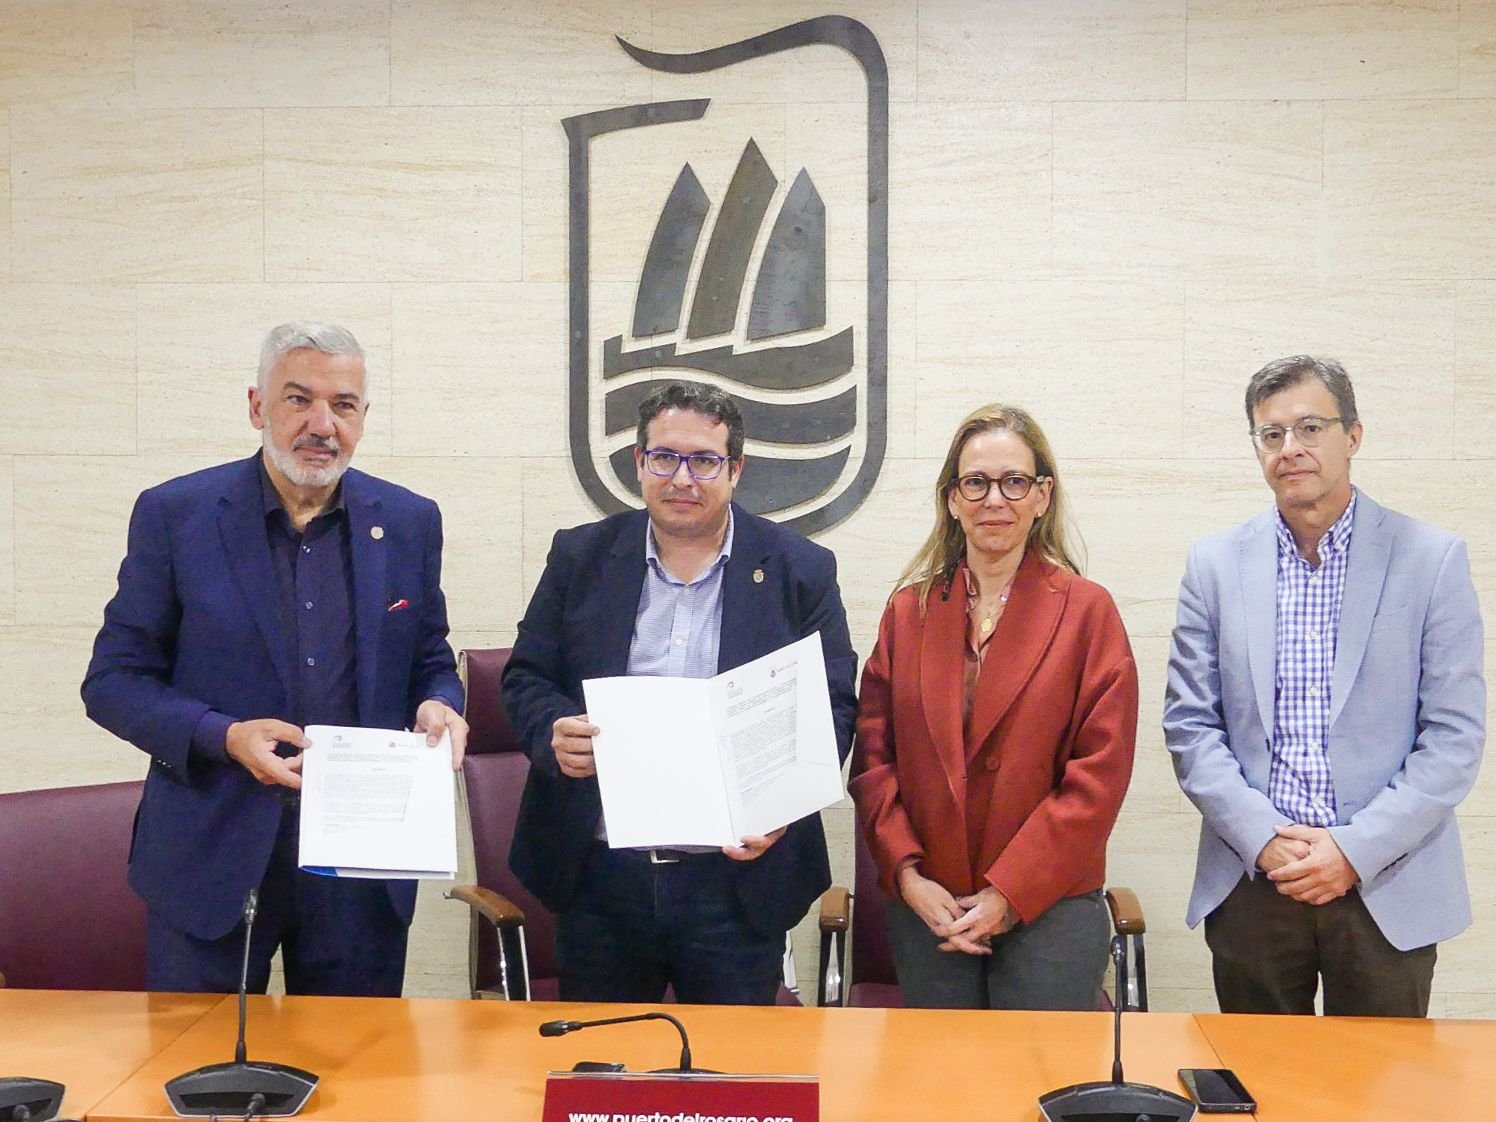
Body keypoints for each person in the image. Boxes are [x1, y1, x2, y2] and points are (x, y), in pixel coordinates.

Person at [82, 321, 467, 997]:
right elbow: (113, 680)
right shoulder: (177, 515)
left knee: (354, 1061)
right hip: (212, 850)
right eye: (298, 399)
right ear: (257, 406)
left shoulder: (410, 521)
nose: (322, 424)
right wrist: (222, 735)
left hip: (360, 860)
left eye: (343, 405)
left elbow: (428, 657)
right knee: (198, 1060)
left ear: (363, 417)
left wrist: (440, 701)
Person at [502, 380, 858, 1004]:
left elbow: (833, 707)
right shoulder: (581, 557)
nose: (682, 478)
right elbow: (526, 677)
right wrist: (552, 731)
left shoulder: (799, 568)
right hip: (600, 878)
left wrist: (782, 801)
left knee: (729, 1063)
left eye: (705, 461)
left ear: (736, 470)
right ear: (639, 463)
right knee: (602, 1058)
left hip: (735, 884)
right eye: (665, 457)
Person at [1165, 355, 1485, 1017]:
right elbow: (1191, 728)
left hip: (1385, 881)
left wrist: (1353, 849)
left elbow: (1454, 739)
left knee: (1381, 1079)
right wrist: (1264, 839)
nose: (1291, 448)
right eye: (1271, 434)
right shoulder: (1214, 565)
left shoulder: (1431, 559)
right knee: (1257, 1075)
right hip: (1255, 879)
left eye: (1310, 427)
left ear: (1354, 436)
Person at [848, 404, 1137, 1009]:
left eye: (1014, 482)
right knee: (941, 1071)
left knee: (1036, 1069)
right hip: (929, 910)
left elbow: (1099, 776)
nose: (995, 500)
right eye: (976, 482)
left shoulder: (1088, 612)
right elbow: (874, 761)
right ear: (953, 499)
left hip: (1049, 906)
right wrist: (907, 876)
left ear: (1042, 496)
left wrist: (1010, 891)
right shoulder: (908, 613)